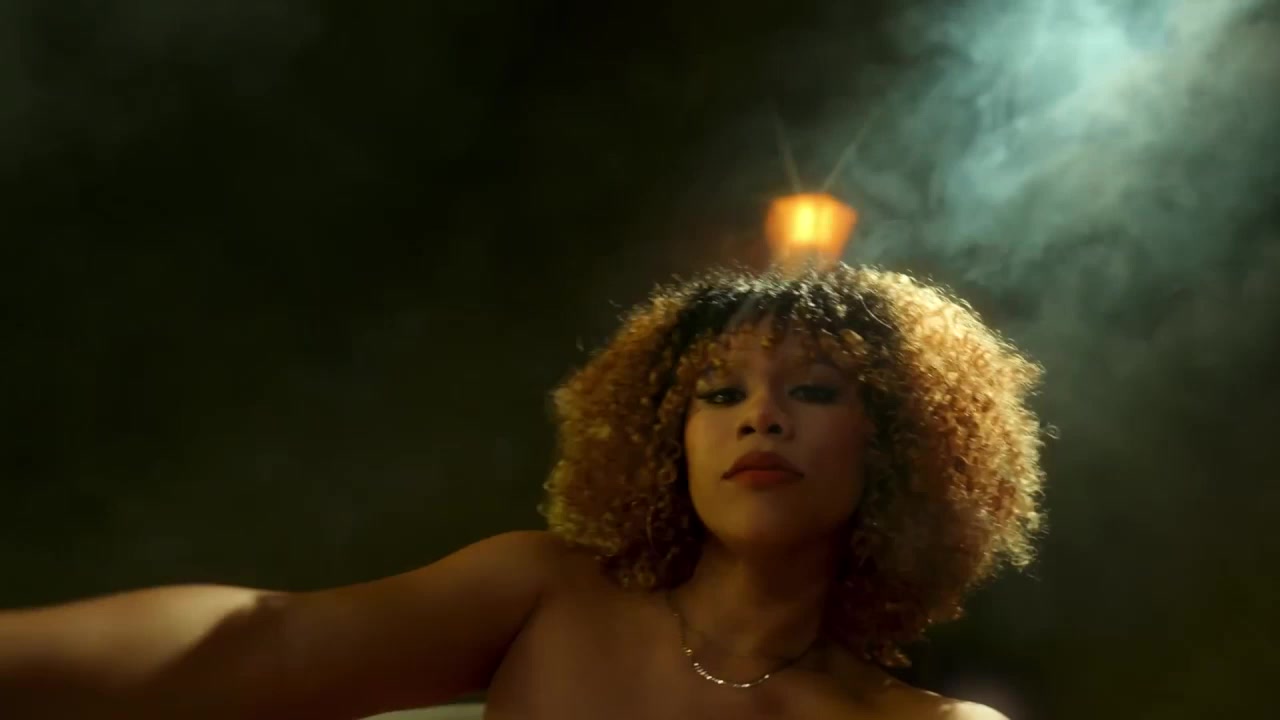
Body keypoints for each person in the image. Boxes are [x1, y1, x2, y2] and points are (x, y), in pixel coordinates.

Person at [0, 263, 1045, 719]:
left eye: (812, 391)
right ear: (667, 439)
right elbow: (258, 641)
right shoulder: (549, 596)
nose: (758, 417)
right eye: (718, 393)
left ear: (899, 449)